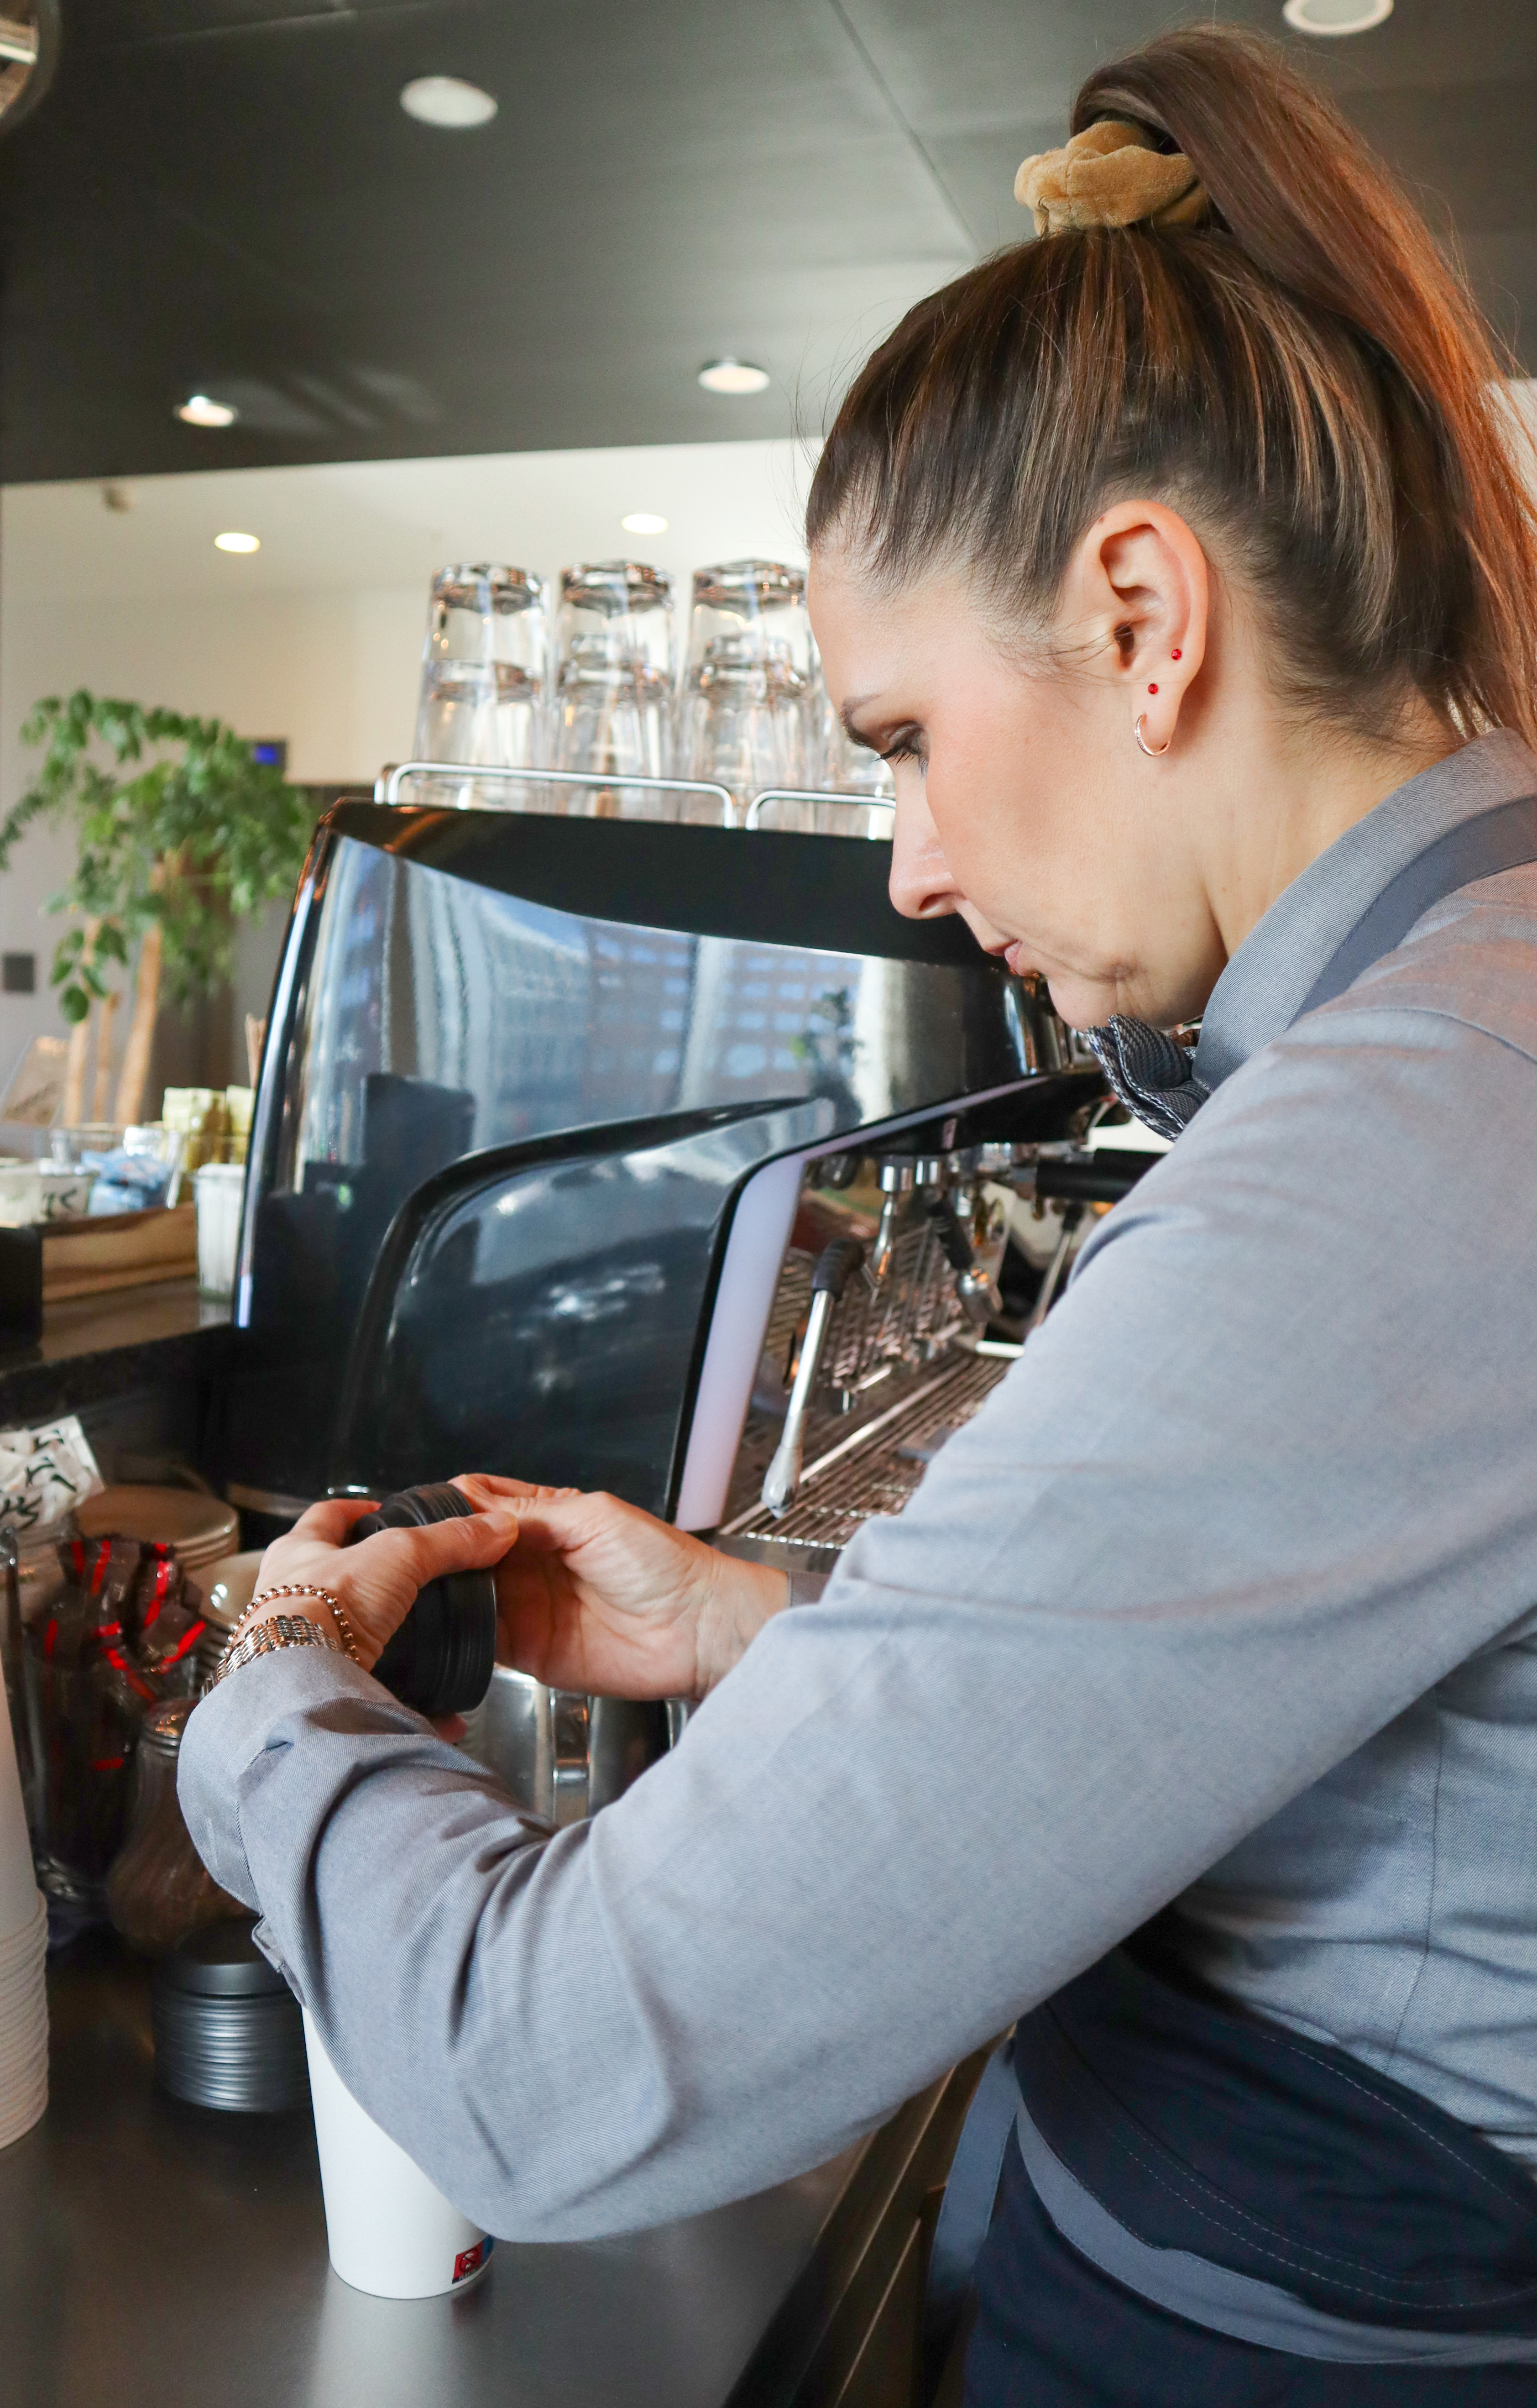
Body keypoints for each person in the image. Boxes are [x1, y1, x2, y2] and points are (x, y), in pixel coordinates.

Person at [181, 25, 1537, 2402]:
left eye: (902, 737)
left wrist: (269, 1677)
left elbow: (551, 2065)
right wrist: (760, 1630)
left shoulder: (1400, 1140)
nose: (902, 867)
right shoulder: (1448, 1023)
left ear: (1140, 616)